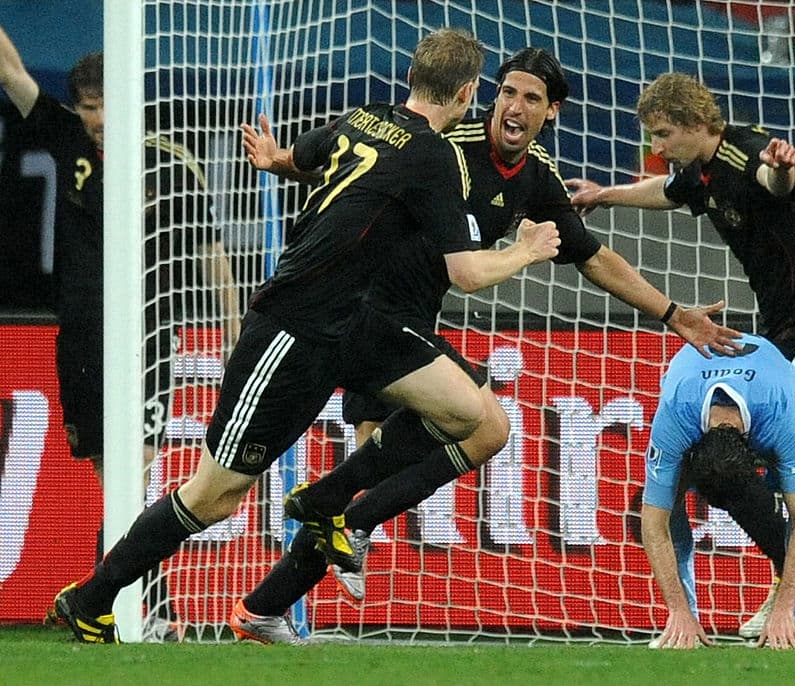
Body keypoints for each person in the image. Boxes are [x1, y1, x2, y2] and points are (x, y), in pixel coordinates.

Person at [48, 27, 564, 645]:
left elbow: (310, 154)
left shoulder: (366, 118)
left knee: (471, 413)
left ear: (409, 78)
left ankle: (327, 502)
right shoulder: (433, 156)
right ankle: (92, 598)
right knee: (216, 496)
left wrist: (275, 161)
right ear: (468, 91)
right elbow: (466, 273)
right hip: (293, 327)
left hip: (355, 323)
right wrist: (527, 251)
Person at [225, 47, 743, 644]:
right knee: (466, 429)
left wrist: (673, 313)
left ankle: (273, 594)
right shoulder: (443, 142)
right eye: (507, 92)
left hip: (406, 330)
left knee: (474, 435)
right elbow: (349, 161)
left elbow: (592, 257)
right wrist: (283, 162)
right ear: (488, 95)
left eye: (530, 98)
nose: (514, 107)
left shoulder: (535, 176)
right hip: (363, 321)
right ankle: (326, 520)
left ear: (551, 112)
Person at [566, 71, 795, 648]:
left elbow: (773, 180)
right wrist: (604, 195)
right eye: (652, 135)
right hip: (787, 327)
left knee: (728, 463)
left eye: (664, 132)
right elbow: (669, 191)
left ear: (699, 122)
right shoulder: (700, 170)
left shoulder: (744, 151)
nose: (656, 147)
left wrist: (783, 166)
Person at [0, 26, 241, 641]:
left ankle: (134, 608)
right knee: (117, 487)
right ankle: (122, 604)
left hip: (151, 335)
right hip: (81, 340)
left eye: (108, 105)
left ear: (130, 99)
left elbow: (211, 251)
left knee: (137, 475)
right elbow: (13, 70)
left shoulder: (169, 158)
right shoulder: (63, 135)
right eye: (89, 107)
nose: (99, 119)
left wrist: (237, 325)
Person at [642, 333, 795, 650]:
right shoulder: (675, 415)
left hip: (776, 378)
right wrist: (678, 610)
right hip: (691, 386)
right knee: (667, 503)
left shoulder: (777, 414)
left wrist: (784, 610)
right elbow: (652, 521)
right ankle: (684, 620)